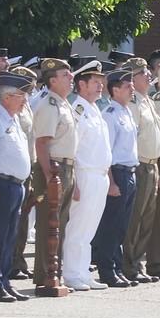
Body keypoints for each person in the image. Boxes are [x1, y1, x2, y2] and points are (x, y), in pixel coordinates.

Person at [28, 59, 80, 292]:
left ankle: (54, 270)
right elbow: (42, 144)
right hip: (53, 168)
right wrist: (50, 175)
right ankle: (45, 273)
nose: (71, 78)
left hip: (65, 167)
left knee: (60, 222)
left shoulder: (63, 103)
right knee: (49, 222)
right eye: (65, 75)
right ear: (52, 80)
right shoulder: (49, 104)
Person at [60, 61, 112, 290]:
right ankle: (71, 274)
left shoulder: (94, 108)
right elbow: (73, 148)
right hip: (85, 174)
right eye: (95, 81)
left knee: (90, 228)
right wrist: (75, 181)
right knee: (78, 227)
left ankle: (82, 272)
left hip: (99, 175)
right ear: (81, 84)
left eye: (101, 81)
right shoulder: (78, 110)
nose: (101, 85)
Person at [0, 74, 34, 302]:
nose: (24, 100)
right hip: (1, 184)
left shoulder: (13, 118)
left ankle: (4, 280)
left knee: (10, 237)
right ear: (6, 97)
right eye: (20, 96)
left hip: (16, 185)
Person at [94, 67, 142, 286]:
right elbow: (108, 153)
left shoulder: (126, 112)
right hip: (118, 174)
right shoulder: (110, 115)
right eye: (127, 86)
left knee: (122, 225)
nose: (132, 89)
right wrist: (112, 182)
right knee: (111, 225)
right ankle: (107, 270)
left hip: (130, 172)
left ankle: (117, 266)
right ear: (114, 90)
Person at [122, 61, 160, 276]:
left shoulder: (147, 100)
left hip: (151, 164)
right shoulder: (133, 103)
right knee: (135, 218)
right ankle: (129, 264)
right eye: (142, 73)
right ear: (131, 78)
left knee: (147, 217)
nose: (149, 75)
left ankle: (138, 263)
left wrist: (156, 166)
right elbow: (131, 138)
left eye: (148, 71)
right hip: (139, 165)